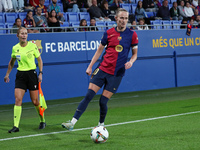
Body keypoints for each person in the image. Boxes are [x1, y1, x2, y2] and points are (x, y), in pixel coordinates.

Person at [61, 8, 138, 131]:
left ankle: (101, 125)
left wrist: (131, 62)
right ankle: (72, 122)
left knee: (103, 101)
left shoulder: (132, 35)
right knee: (89, 95)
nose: (124, 21)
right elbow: (99, 50)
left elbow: (135, 54)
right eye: (122, 18)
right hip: (102, 69)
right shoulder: (108, 33)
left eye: (126, 18)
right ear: (116, 18)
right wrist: (90, 66)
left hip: (116, 74)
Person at [4, 27, 46, 133]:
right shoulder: (15, 48)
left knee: (35, 101)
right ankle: (16, 126)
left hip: (32, 74)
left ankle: (42, 120)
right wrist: (7, 74)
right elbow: (12, 62)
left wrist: (40, 73)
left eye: (26, 33)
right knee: (18, 100)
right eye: (22, 33)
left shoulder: (32, 46)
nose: (24, 35)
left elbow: (39, 60)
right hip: (20, 76)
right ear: (17, 35)